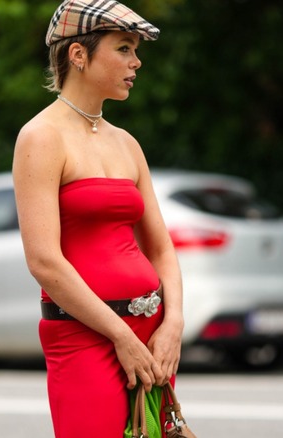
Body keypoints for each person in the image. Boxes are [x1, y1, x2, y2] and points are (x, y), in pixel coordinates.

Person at [11, 1, 184, 436]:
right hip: (85, 335)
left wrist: (174, 324)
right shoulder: (41, 137)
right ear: (79, 55)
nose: (136, 61)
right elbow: (44, 262)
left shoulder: (127, 144)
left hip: (149, 333)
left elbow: (161, 247)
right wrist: (120, 336)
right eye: (124, 48)